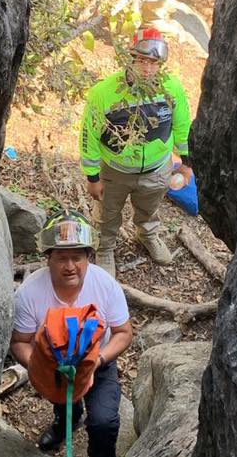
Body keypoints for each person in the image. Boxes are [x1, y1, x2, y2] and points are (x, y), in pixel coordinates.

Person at [10, 210, 133, 457]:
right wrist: (42, 366)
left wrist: (97, 361)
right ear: (48, 257)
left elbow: (123, 333)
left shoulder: (104, 285)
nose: (70, 266)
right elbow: (20, 342)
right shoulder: (30, 293)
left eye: (77, 257)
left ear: (88, 257)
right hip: (53, 363)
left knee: (103, 421)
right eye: (61, 258)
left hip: (97, 362)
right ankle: (66, 420)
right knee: (62, 397)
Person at [79, 27, 192, 277]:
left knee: (149, 208)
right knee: (107, 213)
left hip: (157, 169)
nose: (148, 68)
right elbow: (90, 135)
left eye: (154, 62)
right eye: (142, 60)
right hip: (115, 171)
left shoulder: (171, 89)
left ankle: (147, 233)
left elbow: (182, 126)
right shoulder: (104, 93)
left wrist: (186, 163)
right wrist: (92, 177)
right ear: (130, 58)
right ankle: (106, 246)